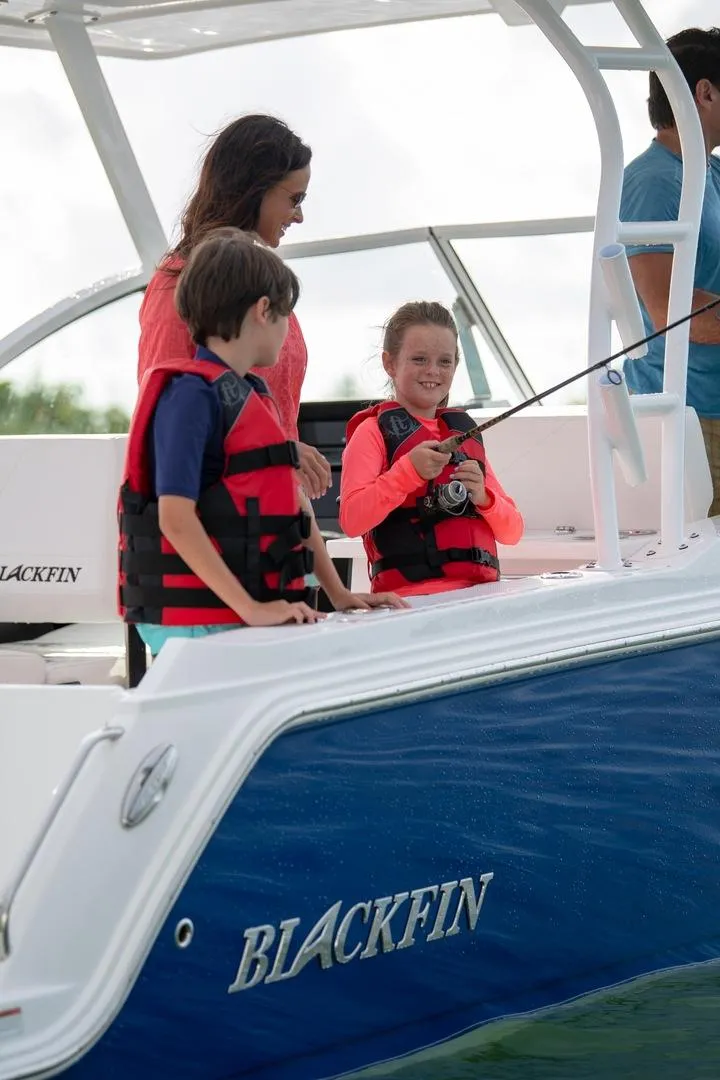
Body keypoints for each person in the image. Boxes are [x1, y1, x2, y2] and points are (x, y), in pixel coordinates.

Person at [119, 229, 404, 657]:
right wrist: (250, 608)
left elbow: (293, 505)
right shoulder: (191, 397)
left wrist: (339, 594)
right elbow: (174, 517)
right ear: (263, 310)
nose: (288, 331)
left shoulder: (253, 395)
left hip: (250, 615)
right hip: (204, 625)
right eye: (287, 316)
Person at [138, 113, 331, 501]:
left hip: (270, 518)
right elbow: (167, 429)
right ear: (254, 190)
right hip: (215, 524)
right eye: (294, 199)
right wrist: (281, 453)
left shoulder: (259, 279)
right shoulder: (176, 286)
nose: (299, 215)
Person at [339, 301, 523, 598]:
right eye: (419, 359)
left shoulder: (463, 434)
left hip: (481, 600)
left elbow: (512, 532)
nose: (433, 371)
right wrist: (407, 472)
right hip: (411, 607)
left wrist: (483, 497)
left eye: (444, 362)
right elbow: (352, 520)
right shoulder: (371, 433)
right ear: (390, 363)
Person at [620, 27, 720, 512]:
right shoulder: (654, 181)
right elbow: (667, 312)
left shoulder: (710, 173)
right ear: (705, 92)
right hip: (696, 417)